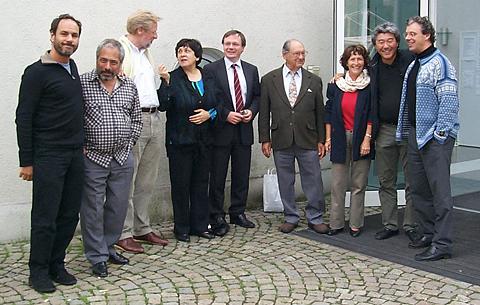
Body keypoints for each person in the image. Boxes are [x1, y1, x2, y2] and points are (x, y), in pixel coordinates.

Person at [15, 14, 84, 293]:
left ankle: (57, 263)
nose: (69, 40)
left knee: (69, 215)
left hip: (74, 155)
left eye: (74, 35)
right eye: (64, 34)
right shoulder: (36, 72)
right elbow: (24, 117)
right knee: (45, 216)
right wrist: (27, 161)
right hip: (48, 156)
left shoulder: (73, 67)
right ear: (52, 35)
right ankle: (38, 270)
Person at [397, 16, 459, 261]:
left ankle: (442, 244)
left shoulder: (441, 64)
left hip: (435, 139)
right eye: (407, 33)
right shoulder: (415, 64)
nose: (408, 38)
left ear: (427, 35)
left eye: (413, 33)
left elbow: (449, 101)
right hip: (415, 135)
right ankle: (428, 233)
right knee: (419, 190)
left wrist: (440, 134)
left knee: (440, 193)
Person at [80, 39, 142, 277]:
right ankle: (96, 256)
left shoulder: (129, 86)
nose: (107, 66)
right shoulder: (83, 83)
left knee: (117, 206)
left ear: (120, 64)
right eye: (103, 60)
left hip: (122, 157)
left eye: (113, 62)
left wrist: (130, 141)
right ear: (97, 59)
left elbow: (136, 118)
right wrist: (81, 145)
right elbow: (75, 117)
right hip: (93, 157)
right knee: (92, 208)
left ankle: (108, 246)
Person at [258, 39, 328, 234]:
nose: (301, 57)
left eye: (303, 53)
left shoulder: (313, 80)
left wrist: (321, 139)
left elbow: (319, 112)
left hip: (308, 137)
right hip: (281, 138)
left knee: (313, 179)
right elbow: (264, 112)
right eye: (297, 53)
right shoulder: (269, 79)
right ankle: (290, 216)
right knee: (285, 179)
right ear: (285, 55)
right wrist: (265, 138)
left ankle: (315, 217)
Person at [116, 10, 169, 253]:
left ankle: (142, 227)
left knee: (147, 179)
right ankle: (123, 232)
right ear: (140, 31)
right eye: (153, 32)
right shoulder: (118, 50)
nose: (155, 37)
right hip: (132, 119)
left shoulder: (145, 53)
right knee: (128, 177)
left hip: (154, 117)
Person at [158, 39, 216, 242]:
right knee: (181, 185)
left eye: (187, 51)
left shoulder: (208, 77)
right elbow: (163, 105)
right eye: (179, 51)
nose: (182, 54)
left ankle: (200, 225)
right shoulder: (172, 78)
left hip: (204, 141)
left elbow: (218, 103)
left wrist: (210, 114)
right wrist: (164, 82)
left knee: (201, 184)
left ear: (197, 56)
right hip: (180, 141)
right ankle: (181, 227)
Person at [203, 30, 261, 236]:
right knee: (217, 175)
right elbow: (210, 98)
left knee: (241, 174)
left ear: (242, 47)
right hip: (221, 129)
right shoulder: (211, 69)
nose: (230, 47)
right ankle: (216, 214)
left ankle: (238, 212)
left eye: (235, 44)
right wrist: (225, 114)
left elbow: (257, 97)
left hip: (244, 130)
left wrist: (251, 111)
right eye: (227, 43)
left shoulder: (252, 70)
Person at [369, 22, 420, 242]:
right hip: (385, 131)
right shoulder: (372, 66)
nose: (385, 45)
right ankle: (389, 224)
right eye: (381, 42)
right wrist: (338, 77)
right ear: (375, 45)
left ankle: (411, 224)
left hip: (409, 128)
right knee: (385, 180)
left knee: (412, 180)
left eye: (390, 40)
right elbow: (352, 73)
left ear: (397, 42)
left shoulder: (410, 61)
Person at [324, 44, 373, 238]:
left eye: (359, 59)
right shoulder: (336, 86)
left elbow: (371, 114)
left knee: (358, 184)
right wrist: (327, 138)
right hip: (339, 137)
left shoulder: (369, 86)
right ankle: (335, 223)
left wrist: (367, 139)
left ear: (364, 62)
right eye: (352, 59)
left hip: (362, 138)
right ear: (346, 62)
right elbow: (328, 112)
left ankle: (355, 224)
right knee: (337, 184)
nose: (356, 62)